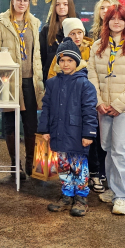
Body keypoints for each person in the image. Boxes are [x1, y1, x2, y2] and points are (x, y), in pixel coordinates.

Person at [87, 4, 125, 215]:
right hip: (104, 107)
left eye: (120, 18)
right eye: (112, 18)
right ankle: (113, 189)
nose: (116, 22)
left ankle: (122, 197)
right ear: (106, 22)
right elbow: (92, 76)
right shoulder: (97, 46)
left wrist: (118, 105)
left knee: (120, 150)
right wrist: (99, 102)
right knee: (108, 147)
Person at [0, 0, 44, 179]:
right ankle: (15, 164)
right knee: (10, 125)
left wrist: (39, 79)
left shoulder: (34, 23)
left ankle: (30, 162)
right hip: (8, 81)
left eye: (25, 0)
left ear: (29, 3)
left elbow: (37, 54)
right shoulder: (1, 24)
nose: (22, 3)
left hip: (30, 80)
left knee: (31, 125)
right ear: (12, 1)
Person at [39, 38, 98, 217]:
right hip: (58, 132)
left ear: (77, 62)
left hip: (77, 134)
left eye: (70, 60)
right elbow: (46, 108)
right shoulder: (52, 84)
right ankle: (66, 195)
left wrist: (89, 134)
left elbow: (89, 111)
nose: (65, 64)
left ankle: (81, 198)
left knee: (79, 166)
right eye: (62, 60)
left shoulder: (85, 85)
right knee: (64, 165)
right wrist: (45, 129)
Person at [86, 0, 119, 193]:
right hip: (95, 93)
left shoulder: (124, 36)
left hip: (115, 95)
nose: (106, 11)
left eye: (110, 8)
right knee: (96, 135)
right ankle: (95, 172)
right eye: (102, 8)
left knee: (113, 140)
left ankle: (109, 173)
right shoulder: (91, 37)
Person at [40, 0, 77, 79]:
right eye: (57, 4)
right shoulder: (46, 30)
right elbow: (42, 56)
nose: (61, 7)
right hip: (50, 75)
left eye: (65, 4)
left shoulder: (77, 29)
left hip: (72, 75)